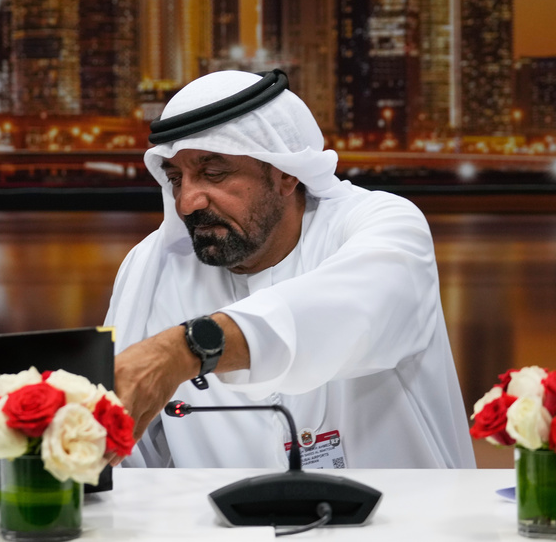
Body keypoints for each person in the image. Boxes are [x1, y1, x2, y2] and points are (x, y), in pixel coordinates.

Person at [105, 69, 475, 469]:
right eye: (176, 179)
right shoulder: (153, 270)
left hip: (402, 525)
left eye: (213, 173)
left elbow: (351, 312)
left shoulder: (382, 224)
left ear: (285, 173)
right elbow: (125, 458)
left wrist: (183, 351)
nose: (187, 202)